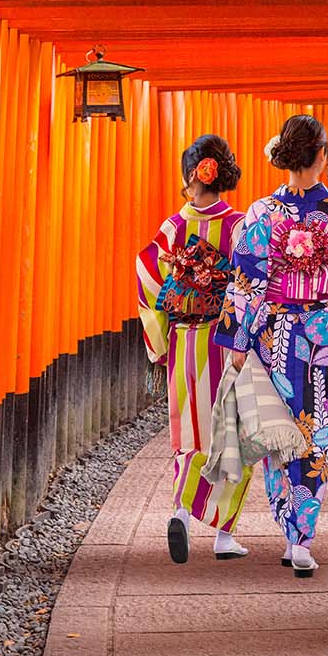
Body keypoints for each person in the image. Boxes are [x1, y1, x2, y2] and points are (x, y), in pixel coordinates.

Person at [215, 114, 328, 577]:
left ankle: (289, 525)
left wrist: (239, 338)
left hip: (276, 334)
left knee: (283, 432)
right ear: (321, 157)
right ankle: (300, 537)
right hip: (324, 334)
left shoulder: (260, 213)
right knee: (317, 433)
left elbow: (246, 280)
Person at [136, 134, 255, 564]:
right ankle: (224, 535)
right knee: (234, 433)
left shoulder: (172, 228)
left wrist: (158, 342)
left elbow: (148, 277)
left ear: (192, 176)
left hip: (185, 341)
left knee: (190, 428)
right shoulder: (240, 225)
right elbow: (250, 285)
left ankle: (182, 512)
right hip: (228, 342)